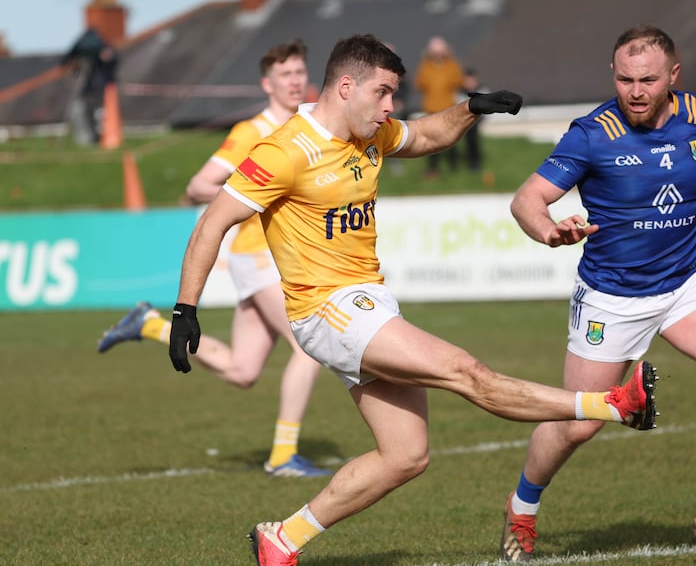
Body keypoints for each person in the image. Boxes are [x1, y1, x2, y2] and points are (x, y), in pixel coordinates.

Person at [167, 33, 659, 565]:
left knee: (405, 455)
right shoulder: (285, 150)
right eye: (382, 93)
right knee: (466, 372)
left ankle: (281, 540)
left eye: (393, 95)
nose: (390, 108)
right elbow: (213, 220)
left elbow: (425, 135)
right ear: (346, 85)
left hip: (369, 301)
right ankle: (611, 404)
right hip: (327, 309)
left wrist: (471, 108)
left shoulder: (367, 133)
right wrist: (185, 310)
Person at [501, 24, 696, 561]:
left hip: (687, 284)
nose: (635, 91)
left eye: (648, 79)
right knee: (579, 424)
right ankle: (521, 508)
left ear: (673, 77)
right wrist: (549, 230)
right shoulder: (593, 133)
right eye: (624, 79)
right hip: (612, 297)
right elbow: (527, 200)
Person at [97, 39, 331, 478]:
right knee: (310, 348)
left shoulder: (311, 125)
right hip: (258, 256)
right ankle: (283, 456)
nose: (296, 81)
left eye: (300, 72)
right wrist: (254, 197)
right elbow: (198, 185)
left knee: (243, 371)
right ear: (267, 83)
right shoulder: (251, 131)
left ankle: (148, 325)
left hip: (278, 258)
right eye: (286, 74)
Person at [413, 35, 464, 178]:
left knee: (452, 138)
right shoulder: (425, 66)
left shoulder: (452, 65)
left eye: (440, 51)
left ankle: (454, 168)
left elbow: (459, 80)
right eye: (435, 51)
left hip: (448, 107)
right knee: (431, 140)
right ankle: (432, 168)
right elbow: (419, 83)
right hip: (431, 108)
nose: (438, 54)